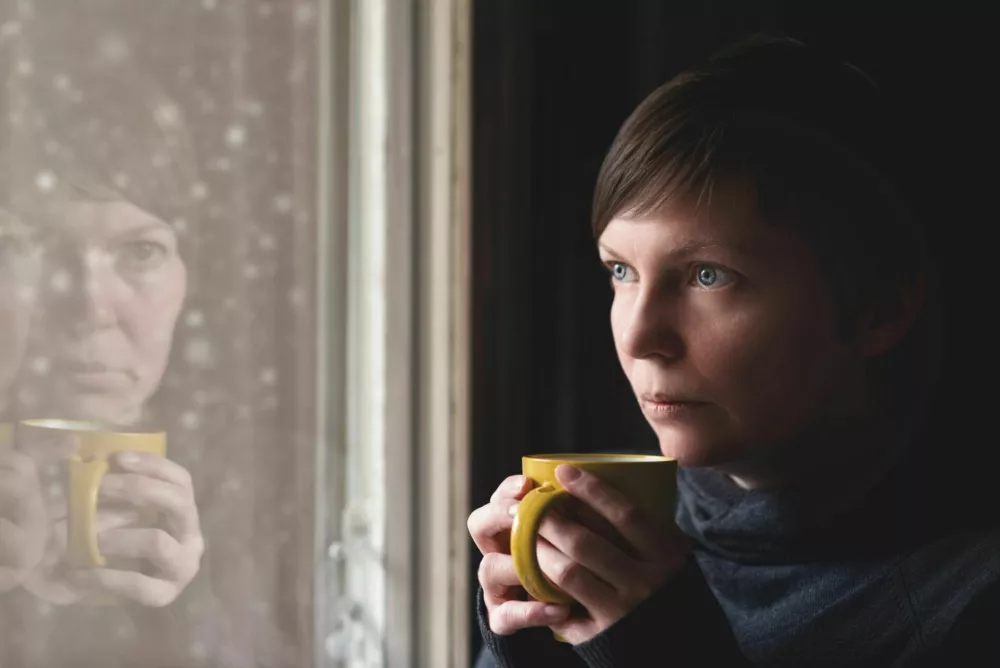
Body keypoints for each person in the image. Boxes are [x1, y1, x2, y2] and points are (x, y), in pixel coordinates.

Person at [469, 35, 999, 667]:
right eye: (620, 271)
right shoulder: (618, 557)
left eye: (707, 276)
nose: (639, 337)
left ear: (879, 308)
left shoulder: (970, 608)